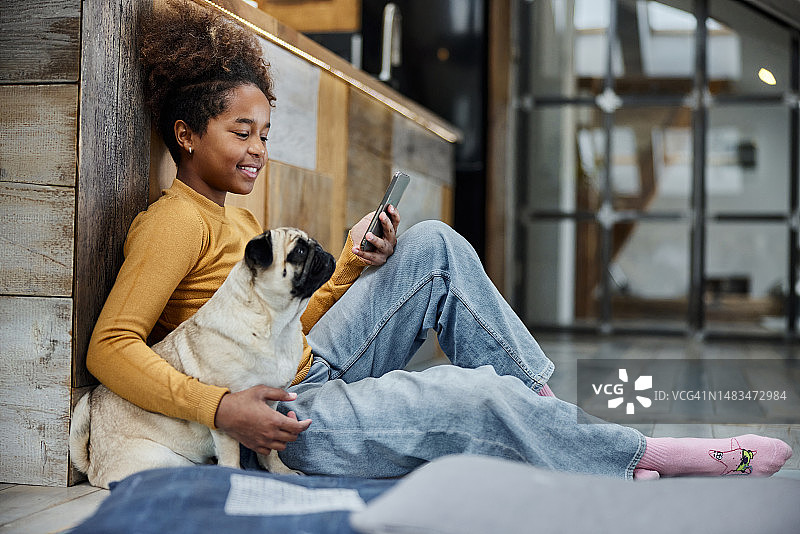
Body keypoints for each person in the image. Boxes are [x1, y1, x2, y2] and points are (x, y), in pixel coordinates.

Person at [87, 0, 792, 483]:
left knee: (432, 246)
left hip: (303, 363)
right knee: (469, 395)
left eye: (265, 134)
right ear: (186, 134)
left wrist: (351, 267)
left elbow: (281, 326)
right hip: (272, 415)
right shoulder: (175, 221)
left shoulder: (238, 220)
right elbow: (109, 348)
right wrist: (220, 410)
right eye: (242, 133)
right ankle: (650, 453)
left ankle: (549, 418)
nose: (258, 150)